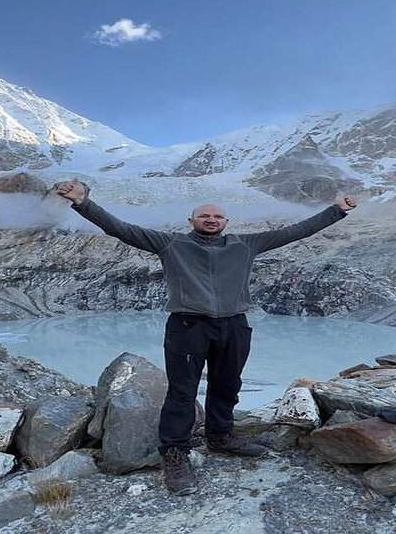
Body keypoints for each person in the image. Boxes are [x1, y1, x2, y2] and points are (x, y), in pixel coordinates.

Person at [55, 179, 356, 495]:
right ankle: (175, 453)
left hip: (234, 325)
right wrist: (82, 203)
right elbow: (120, 228)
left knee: (227, 384)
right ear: (191, 221)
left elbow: (296, 231)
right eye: (204, 216)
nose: (211, 220)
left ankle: (221, 436)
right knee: (182, 392)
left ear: (226, 223)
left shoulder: (246, 245)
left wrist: (336, 211)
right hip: (188, 326)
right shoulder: (170, 244)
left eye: (217, 217)